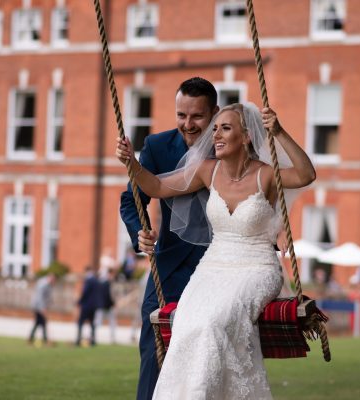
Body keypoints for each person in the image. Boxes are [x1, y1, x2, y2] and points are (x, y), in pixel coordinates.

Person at [117, 102, 315, 399]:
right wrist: (132, 164)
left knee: (214, 322)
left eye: (225, 128)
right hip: (213, 266)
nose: (216, 136)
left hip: (256, 267)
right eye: (216, 129)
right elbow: (157, 186)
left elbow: (305, 174)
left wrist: (280, 132)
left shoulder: (267, 175)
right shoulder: (206, 171)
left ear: (246, 136)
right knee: (186, 323)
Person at [119, 77, 219, 400]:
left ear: (215, 114)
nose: (187, 125)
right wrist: (141, 231)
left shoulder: (230, 149)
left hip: (218, 270)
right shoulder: (158, 147)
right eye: (181, 115)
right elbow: (131, 199)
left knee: (210, 358)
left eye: (197, 117)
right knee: (153, 353)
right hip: (169, 266)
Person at [75, 265, 102, 347]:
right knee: (92, 323)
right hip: (93, 306)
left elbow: (85, 292)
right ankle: (93, 340)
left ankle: (78, 339)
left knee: (80, 322)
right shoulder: (96, 280)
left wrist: (79, 302)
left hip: (86, 305)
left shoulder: (88, 280)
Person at [28, 273, 56, 346]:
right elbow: (39, 297)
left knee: (39, 322)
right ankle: (45, 340)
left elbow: (48, 296)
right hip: (37, 306)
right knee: (42, 322)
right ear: (50, 278)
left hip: (41, 306)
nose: (54, 282)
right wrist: (42, 308)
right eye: (53, 280)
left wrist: (49, 304)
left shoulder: (49, 285)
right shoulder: (43, 284)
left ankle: (31, 339)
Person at [94, 267, 117, 343]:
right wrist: (112, 303)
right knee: (101, 322)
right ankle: (94, 337)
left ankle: (94, 337)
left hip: (101, 306)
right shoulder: (106, 283)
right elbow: (107, 295)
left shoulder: (101, 282)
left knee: (99, 322)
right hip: (105, 306)